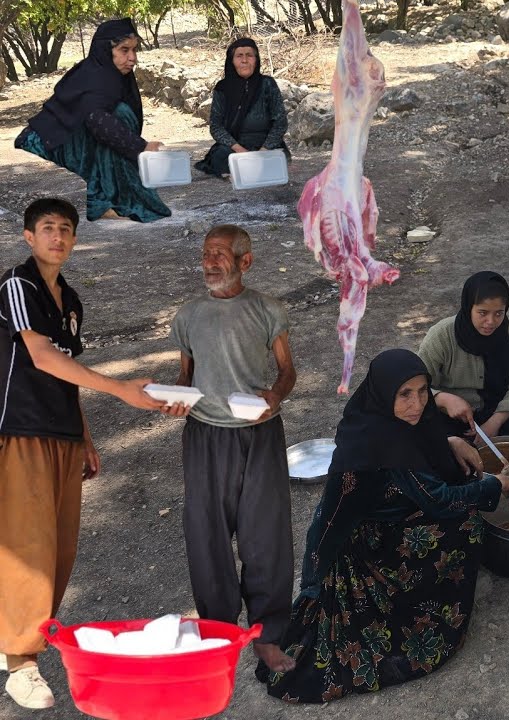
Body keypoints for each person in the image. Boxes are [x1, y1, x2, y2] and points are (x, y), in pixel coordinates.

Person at [257, 349, 509, 703]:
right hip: (371, 551)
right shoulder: (380, 441)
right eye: (404, 394)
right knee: (465, 521)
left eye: (423, 391)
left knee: (458, 486)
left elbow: (425, 450)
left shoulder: (387, 420)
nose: (417, 403)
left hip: (389, 517)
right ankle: (427, 617)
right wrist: (497, 484)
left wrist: (450, 440)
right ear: (384, 395)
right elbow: (438, 499)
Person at [0, 197, 167, 710]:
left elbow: (68, 372)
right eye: (48, 228)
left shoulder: (70, 299)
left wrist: (86, 437)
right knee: (27, 545)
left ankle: (22, 634)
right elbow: (41, 356)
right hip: (21, 429)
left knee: (61, 548)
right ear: (29, 237)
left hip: (63, 435)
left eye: (67, 229)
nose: (58, 237)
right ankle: (20, 662)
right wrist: (120, 389)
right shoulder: (17, 284)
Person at [164, 224, 297, 673]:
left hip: (261, 433)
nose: (210, 262)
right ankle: (220, 633)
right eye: (206, 254)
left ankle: (268, 634)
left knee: (266, 534)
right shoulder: (188, 316)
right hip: (204, 435)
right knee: (207, 536)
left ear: (246, 261)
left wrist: (274, 398)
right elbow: (186, 376)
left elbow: (287, 371)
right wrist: (176, 399)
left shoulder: (267, 310)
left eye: (220, 254)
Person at [15, 19, 171, 223]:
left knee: (119, 120)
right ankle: (104, 202)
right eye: (124, 50)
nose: (132, 58)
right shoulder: (96, 77)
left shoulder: (112, 74)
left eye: (134, 50)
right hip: (51, 140)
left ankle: (107, 200)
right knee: (118, 117)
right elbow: (99, 122)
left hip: (76, 134)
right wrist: (141, 147)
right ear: (106, 50)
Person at [417, 271, 509, 441]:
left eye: (498, 313)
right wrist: (443, 399)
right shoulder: (442, 335)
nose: (491, 322)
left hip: (496, 409)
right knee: (418, 424)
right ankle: (461, 443)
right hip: (453, 415)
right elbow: (417, 385)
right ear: (468, 308)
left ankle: (481, 439)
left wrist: (495, 422)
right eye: (482, 313)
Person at [195, 37, 290, 178]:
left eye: (249, 55)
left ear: (256, 60)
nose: (244, 60)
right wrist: (241, 151)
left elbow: (280, 122)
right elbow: (216, 126)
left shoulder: (268, 84)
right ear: (232, 61)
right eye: (239, 56)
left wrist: (263, 151)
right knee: (221, 156)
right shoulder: (222, 88)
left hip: (266, 145)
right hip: (234, 146)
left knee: (279, 159)